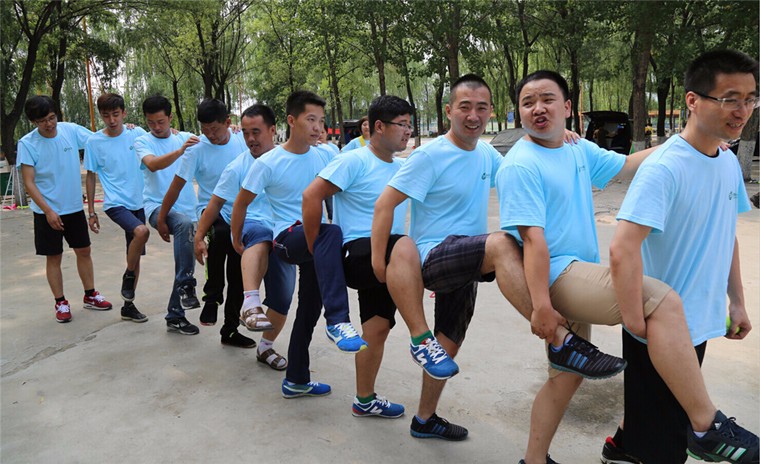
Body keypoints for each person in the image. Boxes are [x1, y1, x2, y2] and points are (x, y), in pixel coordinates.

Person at [496, 70, 757, 464]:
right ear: (518, 112)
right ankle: (706, 425)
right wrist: (541, 307)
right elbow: (532, 241)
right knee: (661, 302)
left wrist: (687, 139)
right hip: (554, 277)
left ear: (567, 107)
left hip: (577, 272)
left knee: (565, 379)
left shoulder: (575, 149)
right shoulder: (520, 164)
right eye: (527, 103)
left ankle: (535, 460)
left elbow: (627, 164)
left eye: (547, 99)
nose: (538, 109)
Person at [371, 74, 623, 442]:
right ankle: (562, 341)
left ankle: (424, 419)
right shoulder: (430, 155)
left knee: (449, 342)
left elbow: (526, 163)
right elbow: (385, 204)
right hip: (434, 256)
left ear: (491, 112)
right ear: (449, 111)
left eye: (481, 108)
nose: (473, 116)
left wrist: (562, 137)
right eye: (465, 107)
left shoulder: (487, 154)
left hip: (469, 259)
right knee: (505, 243)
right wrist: (379, 263)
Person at [601, 50, 759, 464]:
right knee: (667, 445)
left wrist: (737, 301)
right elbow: (622, 248)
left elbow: (726, 234)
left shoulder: (727, 161)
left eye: (750, 99)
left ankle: (621, 448)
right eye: (730, 99)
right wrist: (636, 322)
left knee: (661, 424)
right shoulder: (665, 168)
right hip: (660, 330)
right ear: (693, 100)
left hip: (697, 323)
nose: (742, 111)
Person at [231, 90, 366, 398]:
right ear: (291, 121)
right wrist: (236, 238)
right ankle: (338, 320)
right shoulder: (269, 162)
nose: (318, 127)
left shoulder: (326, 155)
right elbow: (241, 203)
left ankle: (296, 380)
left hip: (315, 244)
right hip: (286, 239)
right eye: (311, 120)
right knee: (330, 232)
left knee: (308, 309)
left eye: (321, 120)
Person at [302, 95, 413, 418]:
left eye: (410, 125)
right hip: (358, 253)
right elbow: (311, 196)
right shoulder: (354, 161)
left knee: (377, 329)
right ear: (379, 127)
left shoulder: (403, 168)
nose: (408, 131)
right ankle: (422, 338)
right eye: (402, 125)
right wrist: (315, 246)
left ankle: (364, 400)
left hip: (388, 257)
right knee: (401, 244)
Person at [194, 104, 295, 367]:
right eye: (247, 133)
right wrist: (198, 236)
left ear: (272, 130)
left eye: (256, 132)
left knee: (283, 298)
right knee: (257, 236)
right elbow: (215, 203)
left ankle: (265, 348)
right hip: (250, 227)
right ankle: (247, 301)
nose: (250, 139)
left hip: (284, 233)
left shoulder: (290, 159)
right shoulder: (237, 167)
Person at [156, 98, 251, 346]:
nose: (210, 135)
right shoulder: (196, 149)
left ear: (228, 122)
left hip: (241, 212)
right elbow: (177, 185)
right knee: (219, 234)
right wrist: (162, 217)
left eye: (215, 129)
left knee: (238, 270)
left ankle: (230, 330)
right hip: (211, 210)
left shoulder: (242, 141)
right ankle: (212, 296)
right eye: (205, 129)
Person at [17, 95, 112, 323]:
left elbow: (100, 139)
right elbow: (29, 182)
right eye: (42, 121)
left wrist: (127, 129)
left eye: (52, 118)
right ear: (33, 122)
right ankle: (60, 302)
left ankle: (90, 295)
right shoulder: (27, 144)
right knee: (54, 257)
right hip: (46, 211)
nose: (49, 124)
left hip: (73, 207)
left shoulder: (70, 130)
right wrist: (48, 211)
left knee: (84, 251)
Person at [134, 95, 200, 335]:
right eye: (151, 122)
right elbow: (153, 164)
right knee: (183, 225)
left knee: (185, 264)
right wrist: (181, 151)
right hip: (156, 207)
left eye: (161, 122)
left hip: (188, 210)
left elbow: (213, 139)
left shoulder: (185, 138)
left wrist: (230, 130)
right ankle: (186, 285)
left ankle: (175, 315)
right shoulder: (143, 141)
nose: (156, 127)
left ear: (170, 117)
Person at [84, 93, 148, 323]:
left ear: (124, 113)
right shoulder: (94, 142)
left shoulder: (136, 133)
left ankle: (128, 306)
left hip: (138, 202)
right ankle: (128, 275)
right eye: (106, 115)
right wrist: (91, 212)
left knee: (135, 254)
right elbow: (90, 176)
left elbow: (160, 138)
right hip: (115, 203)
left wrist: (175, 132)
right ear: (101, 116)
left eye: (115, 114)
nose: (111, 120)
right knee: (141, 231)